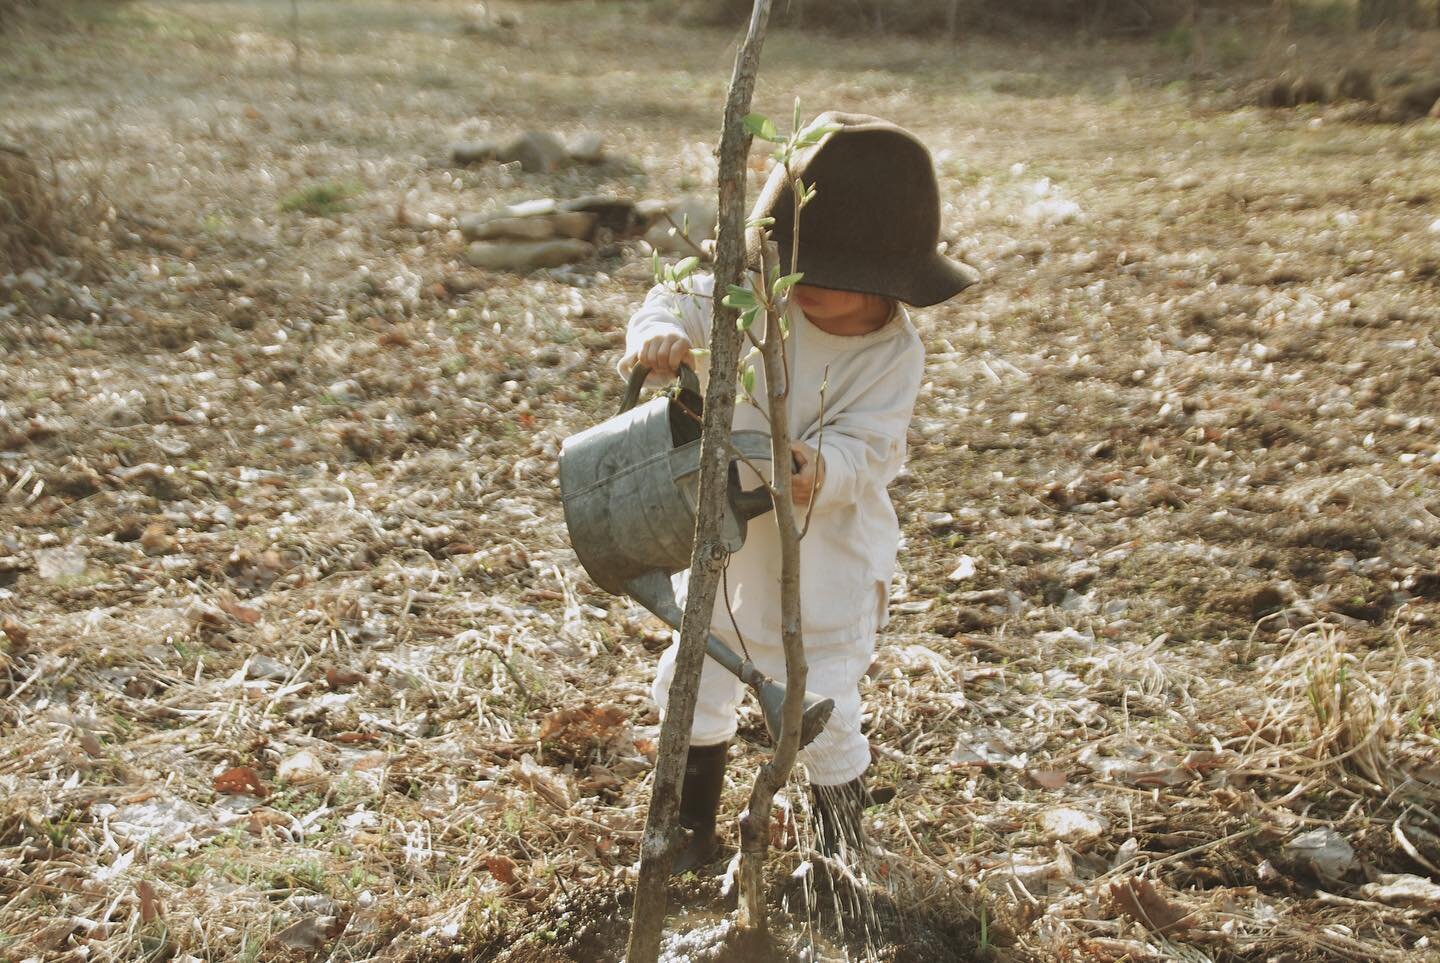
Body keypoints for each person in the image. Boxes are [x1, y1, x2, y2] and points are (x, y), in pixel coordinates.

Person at [618, 112, 979, 872]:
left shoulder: (890, 355)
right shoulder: (755, 290)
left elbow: (873, 446)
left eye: (834, 278)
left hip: (826, 564)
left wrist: (823, 467)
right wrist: (656, 331)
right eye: (799, 271)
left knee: (823, 709)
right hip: (723, 545)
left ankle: (837, 852)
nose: (808, 290)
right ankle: (687, 833)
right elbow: (678, 297)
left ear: (888, 279)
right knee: (694, 680)